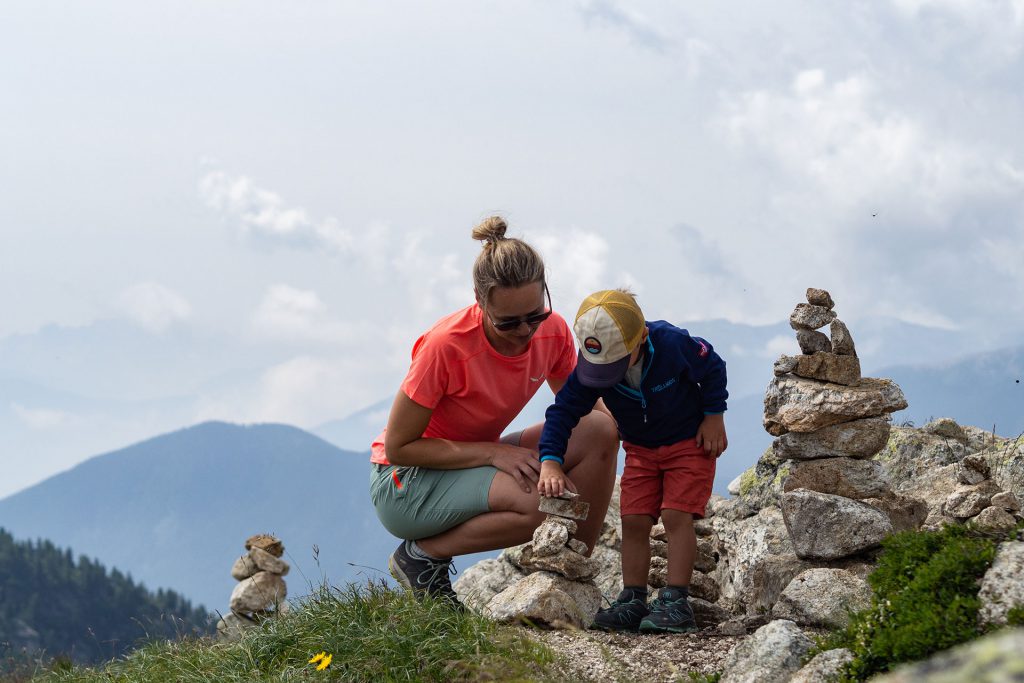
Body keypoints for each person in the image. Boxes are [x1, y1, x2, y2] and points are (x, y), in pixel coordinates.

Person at [369, 216, 619, 605]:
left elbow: (585, 409)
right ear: (479, 299)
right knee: (544, 506)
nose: (525, 331)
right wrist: (494, 452)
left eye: (534, 315)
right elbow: (400, 447)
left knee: (600, 429)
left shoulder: (551, 332)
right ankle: (421, 557)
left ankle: (575, 572)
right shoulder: (446, 347)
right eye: (508, 323)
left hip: (472, 461)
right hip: (406, 482)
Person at [536, 289, 727, 633]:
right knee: (634, 519)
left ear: (641, 336)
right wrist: (550, 460)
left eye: (615, 364)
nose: (607, 374)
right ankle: (633, 599)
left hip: (688, 444)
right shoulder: (590, 365)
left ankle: (676, 602)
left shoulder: (671, 342)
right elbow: (563, 411)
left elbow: (712, 365)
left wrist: (714, 416)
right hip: (639, 450)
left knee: (675, 514)